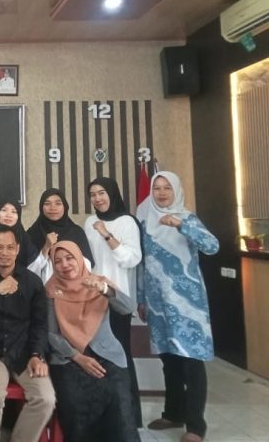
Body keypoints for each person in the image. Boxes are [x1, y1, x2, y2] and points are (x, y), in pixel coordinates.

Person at [137, 171, 219, 442]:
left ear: (176, 191)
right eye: (157, 188)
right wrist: (141, 298)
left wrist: (181, 225)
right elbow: (143, 264)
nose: (161, 193)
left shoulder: (187, 218)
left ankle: (195, 426)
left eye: (167, 188)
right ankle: (173, 413)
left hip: (188, 304)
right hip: (158, 303)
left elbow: (212, 246)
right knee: (169, 360)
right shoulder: (146, 222)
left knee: (192, 363)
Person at [0, 225, 56, 442]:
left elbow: (40, 324)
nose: (4, 253)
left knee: (46, 399)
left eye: (9, 247)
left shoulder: (32, 281)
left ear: (18, 248)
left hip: (24, 354)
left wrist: (37, 355)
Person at [46, 240, 141, 442]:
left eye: (69, 258)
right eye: (58, 261)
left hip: (107, 354)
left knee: (118, 399)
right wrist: (77, 357)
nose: (65, 265)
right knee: (74, 402)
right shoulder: (51, 289)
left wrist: (105, 289)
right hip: (69, 358)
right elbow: (51, 334)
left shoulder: (99, 282)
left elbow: (127, 307)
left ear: (79, 259)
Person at [84, 176, 143, 427]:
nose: (97, 198)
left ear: (112, 194)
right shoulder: (89, 222)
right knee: (97, 354)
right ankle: (104, 415)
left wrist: (107, 235)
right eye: (93, 194)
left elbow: (132, 259)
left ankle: (131, 417)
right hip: (93, 297)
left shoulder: (127, 222)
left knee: (121, 355)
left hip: (117, 299)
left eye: (102, 193)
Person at [27, 188, 94, 282]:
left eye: (58, 203)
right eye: (47, 203)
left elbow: (87, 267)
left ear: (65, 206)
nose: (52, 207)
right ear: (41, 207)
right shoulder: (32, 233)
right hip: (42, 288)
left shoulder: (76, 232)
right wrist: (46, 247)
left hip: (73, 287)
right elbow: (28, 271)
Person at [0, 198, 38, 269]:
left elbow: (34, 266)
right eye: (4, 210)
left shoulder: (26, 240)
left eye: (13, 212)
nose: (9, 215)